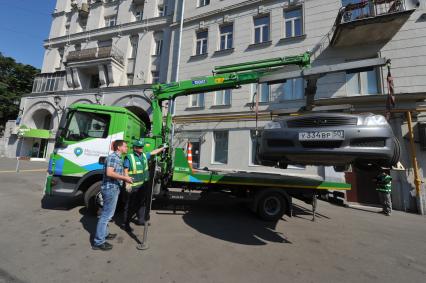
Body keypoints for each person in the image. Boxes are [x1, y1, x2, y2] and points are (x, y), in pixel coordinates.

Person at [92, 140, 133, 251]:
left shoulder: (118, 157)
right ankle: (98, 242)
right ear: (119, 147)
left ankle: (104, 234)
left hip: (113, 188)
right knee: (106, 216)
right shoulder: (114, 157)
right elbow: (109, 173)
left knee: (107, 214)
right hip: (110, 189)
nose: (127, 147)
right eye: (125, 146)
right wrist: (125, 178)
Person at [122, 139, 166, 231]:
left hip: (142, 186)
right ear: (134, 148)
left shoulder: (144, 156)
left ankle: (141, 220)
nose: (141, 148)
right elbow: (125, 171)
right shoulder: (129, 157)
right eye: (139, 147)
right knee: (130, 205)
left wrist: (162, 148)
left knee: (142, 203)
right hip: (133, 186)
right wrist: (127, 184)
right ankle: (125, 224)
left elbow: (153, 152)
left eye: (142, 147)